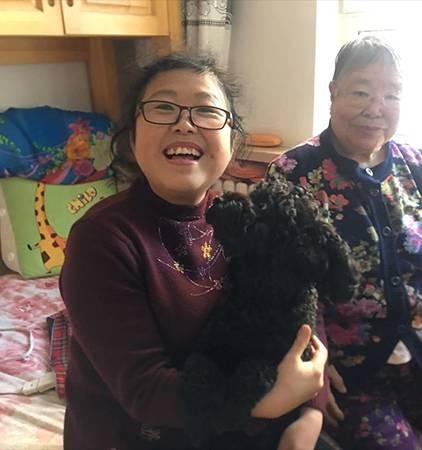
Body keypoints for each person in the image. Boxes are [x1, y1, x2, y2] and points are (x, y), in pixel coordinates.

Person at [60, 54, 329, 450]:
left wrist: (310, 411)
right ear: (132, 139)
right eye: (163, 107)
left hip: (240, 428)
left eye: (206, 110)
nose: (184, 123)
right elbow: (145, 390)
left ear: (232, 141)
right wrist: (266, 404)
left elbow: (300, 304)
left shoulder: (245, 220)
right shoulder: (102, 239)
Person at [269, 36, 422, 450]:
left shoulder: (421, 168)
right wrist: (314, 366)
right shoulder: (294, 172)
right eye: (361, 92)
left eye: (392, 95)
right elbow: (283, 283)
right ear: (333, 93)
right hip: (350, 375)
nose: (376, 108)